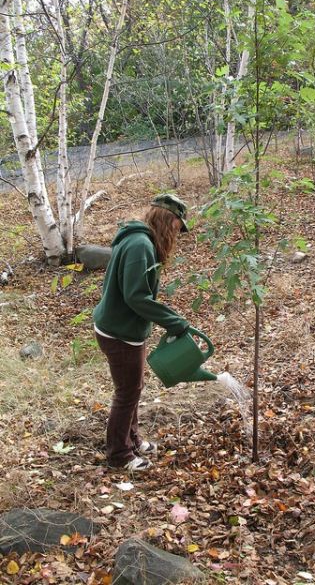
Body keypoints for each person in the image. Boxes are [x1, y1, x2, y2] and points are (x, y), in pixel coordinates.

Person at [93, 193, 190, 472]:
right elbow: (136, 296)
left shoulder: (139, 239)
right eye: (177, 226)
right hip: (119, 332)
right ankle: (119, 454)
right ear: (169, 219)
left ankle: (132, 438)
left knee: (132, 388)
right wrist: (174, 321)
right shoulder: (140, 245)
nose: (177, 233)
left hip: (122, 328)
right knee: (127, 392)